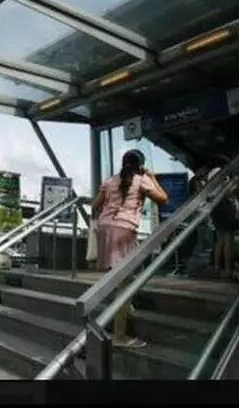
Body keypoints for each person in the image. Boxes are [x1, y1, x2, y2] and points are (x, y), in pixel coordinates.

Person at [91, 149, 169, 349]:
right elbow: (163, 199)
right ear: (140, 165)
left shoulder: (110, 180)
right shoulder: (141, 180)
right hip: (124, 230)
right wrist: (151, 177)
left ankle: (126, 307)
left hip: (105, 228)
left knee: (118, 274)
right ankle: (120, 335)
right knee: (126, 283)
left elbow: (94, 206)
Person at [208, 168, 239, 280]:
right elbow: (227, 191)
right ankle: (228, 269)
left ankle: (217, 267)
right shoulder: (221, 173)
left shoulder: (212, 174)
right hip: (224, 207)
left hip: (215, 208)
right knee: (228, 240)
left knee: (220, 240)